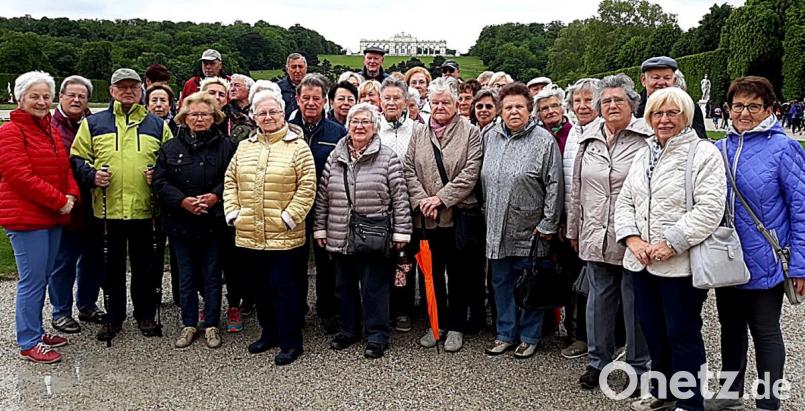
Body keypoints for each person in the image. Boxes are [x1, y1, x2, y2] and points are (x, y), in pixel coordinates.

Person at [615, 87, 726, 411]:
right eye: (657, 114)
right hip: (642, 261)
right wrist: (633, 239)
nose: (663, 120)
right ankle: (663, 391)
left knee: (682, 333)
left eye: (671, 113)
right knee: (653, 330)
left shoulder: (703, 153)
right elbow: (626, 201)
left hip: (679, 265)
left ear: (686, 117)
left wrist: (671, 243)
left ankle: (690, 402)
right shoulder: (643, 153)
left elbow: (709, 208)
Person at [709, 76, 805, 411]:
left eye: (753, 106)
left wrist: (799, 266)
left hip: (765, 257)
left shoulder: (784, 148)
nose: (744, 112)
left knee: (765, 331)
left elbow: (801, 209)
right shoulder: (719, 148)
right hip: (726, 256)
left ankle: (768, 401)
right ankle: (731, 390)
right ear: (729, 108)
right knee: (730, 327)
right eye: (738, 105)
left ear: (769, 110)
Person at [71, 68, 173, 342]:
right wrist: (92, 175)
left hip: (144, 209)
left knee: (146, 267)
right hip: (107, 209)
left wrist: (158, 175)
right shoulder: (93, 123)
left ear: (141, 90)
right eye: (122, 87)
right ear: (112, 91)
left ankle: (145, 314)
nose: (128, 91)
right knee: (110, 268)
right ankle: (114, 316)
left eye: (133, 87)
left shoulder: (157, 124)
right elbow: (78, 159)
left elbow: (172, 161)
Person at [565, 73, 651, 390]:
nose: (612, 105)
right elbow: (576, 189)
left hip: (633, 235)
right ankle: (597, 362)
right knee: (597, 301)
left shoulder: (647, 138)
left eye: (618, 100)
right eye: (606, 101)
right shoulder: (588, 139)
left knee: (634, 302)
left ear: (632, 104)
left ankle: (639, 366)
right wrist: (574, 228)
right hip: (594, 233)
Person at [223, 90, 315, 366]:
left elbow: (308, 187)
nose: (268, 117)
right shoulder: (245, 147)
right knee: (259, 288)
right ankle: (269, 333)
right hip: (250, 232)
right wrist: (233, 213)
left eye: (273, 112)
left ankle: (291, 341)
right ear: (254, 117)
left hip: (283, 234)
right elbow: (231, 182)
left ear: (283, 113)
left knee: (283, 289)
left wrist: (289, 217)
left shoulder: (298, 147)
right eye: (262, 113)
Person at [314, 103, 412, 359]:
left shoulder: (388, 157)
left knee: (374, 287)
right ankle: (349, 330)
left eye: (365, 122)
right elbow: (323, 196)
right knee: (343, 286)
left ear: (375, 128)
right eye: (354, 121)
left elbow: (400, 198)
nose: (359, 126)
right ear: (347, 126)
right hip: (340, 231)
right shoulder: (335, 156)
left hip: (374, 233)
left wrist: (401, 232)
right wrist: (320, 228)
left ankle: (377, 335)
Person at [0, 71, 81, 363]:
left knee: (43, 276)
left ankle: (35, 328)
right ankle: (28, 341)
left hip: (51, 216)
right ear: (20, 98)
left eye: (46, 96)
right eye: (34, 96)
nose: (41, 101)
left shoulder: (49, 130)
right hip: (26, 219)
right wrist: (60, 201)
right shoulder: (11, 131)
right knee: (32, 280)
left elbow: (65, 168)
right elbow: (19, 176)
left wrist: (71, 194)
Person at [480, 82, 562, 358]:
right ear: (500, 112)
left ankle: (529, 335)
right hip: (495, 224)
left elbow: (554, 184)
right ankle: (505, 333)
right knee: (500, 282)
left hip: (530, 227)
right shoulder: (490, 137)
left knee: (529, 282)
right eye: (508, 107)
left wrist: (549, 222)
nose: (513, 111)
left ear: (529, 109)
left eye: (519, 106)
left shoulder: (543, 140)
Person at [404, 77, 484, 352]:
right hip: (427, 219)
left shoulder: (470, 132)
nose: (439, 106)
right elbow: (408, 170)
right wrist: (423, 200)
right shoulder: (418, 132)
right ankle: (435, 324)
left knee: (459, 274)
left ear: (456, 103)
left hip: (457, 217)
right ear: (428, 103)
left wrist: (440, 198)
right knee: (432, 274)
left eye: (445, 102)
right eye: (435, 102)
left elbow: (470, 173)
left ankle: (457, 327)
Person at [153, 92, 236, 349]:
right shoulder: (170, 147)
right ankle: (188, 323)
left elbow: (234, 177)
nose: (199, 119)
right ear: (184, 118)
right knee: (186, 277)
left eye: (204, 114)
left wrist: (215, 196)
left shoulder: (227, 146)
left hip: (213, 221)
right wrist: (182, 201)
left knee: (212, 275)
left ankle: (212, 324)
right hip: (181, 222)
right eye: (194, 114)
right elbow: (159, 182)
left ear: (214, 117)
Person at [289, 74, 348, 334]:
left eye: (316, 98)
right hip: (294, 205)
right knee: (295, 260)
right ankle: (297, 309)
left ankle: (327, 309)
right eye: (306, 98)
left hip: (328, 205)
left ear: (325, 101)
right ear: (297, 100)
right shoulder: (287, 130)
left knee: (327, 261)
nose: (310, 103)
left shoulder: (337, 132)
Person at [49, 75, 105, 335]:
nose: (76, 99)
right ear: (61, 97)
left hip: (92, 202)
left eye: (82, 96)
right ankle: (61, 311)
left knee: (92, 259)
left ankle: (87, 305)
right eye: (71, 95)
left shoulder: (92, 124)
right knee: (64, 260)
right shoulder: (51, 126)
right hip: (66, 204)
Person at [558, 77, 601, 360]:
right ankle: (577, 334)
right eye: (577, 101)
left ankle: (593, 339)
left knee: (597, 286)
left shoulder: (606, 131)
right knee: (577, 281)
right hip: (574, 218)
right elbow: (566, 182)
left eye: (589, 100)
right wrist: (567, 221)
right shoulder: (574, 131)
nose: (583, 106)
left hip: (598, 222)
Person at [378, 78, 418, 333]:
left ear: (405, 102)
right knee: (381, 260)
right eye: (387, 98)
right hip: (379, 206)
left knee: (405, 259)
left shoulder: (417, 129)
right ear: (380, 102)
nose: (392, 103)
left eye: (397, 98)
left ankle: (404, 308)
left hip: (408, 204)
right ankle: (384, 308)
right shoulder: (373, 127)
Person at [636, 56, 706, 139]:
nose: (661, 82)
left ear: (674, 80)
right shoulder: (633, 106)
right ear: (643, 80)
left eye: (667, 78)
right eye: (656, 78)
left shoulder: (688, 106)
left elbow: (699, 138)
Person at [224, 74, 257, 143]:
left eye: (237, 85)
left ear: (249, 89)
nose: (232, 89)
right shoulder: (225, 111)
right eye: (231, 85)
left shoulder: (257, 110)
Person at [278, 53, 308, 119]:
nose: (297, 71)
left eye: (300, 67)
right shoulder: (278, 89)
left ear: (306, 68)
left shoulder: (314, 87)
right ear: (287, 69)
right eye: (293, 67)